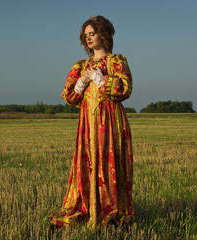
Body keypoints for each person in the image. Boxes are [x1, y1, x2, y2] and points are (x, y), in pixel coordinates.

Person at [49, 15, 134, 229]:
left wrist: (100, 78)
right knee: (87, 163)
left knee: (109, 164)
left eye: (92, 34)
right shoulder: (81, 65)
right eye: (85, 35)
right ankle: (86, 208)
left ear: (103, 34)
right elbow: (69, 96)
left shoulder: (117, 61)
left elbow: (125, 89)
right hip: (87, 121)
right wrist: (84, 80)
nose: (88, 38)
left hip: (111, 120)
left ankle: (112, 213)